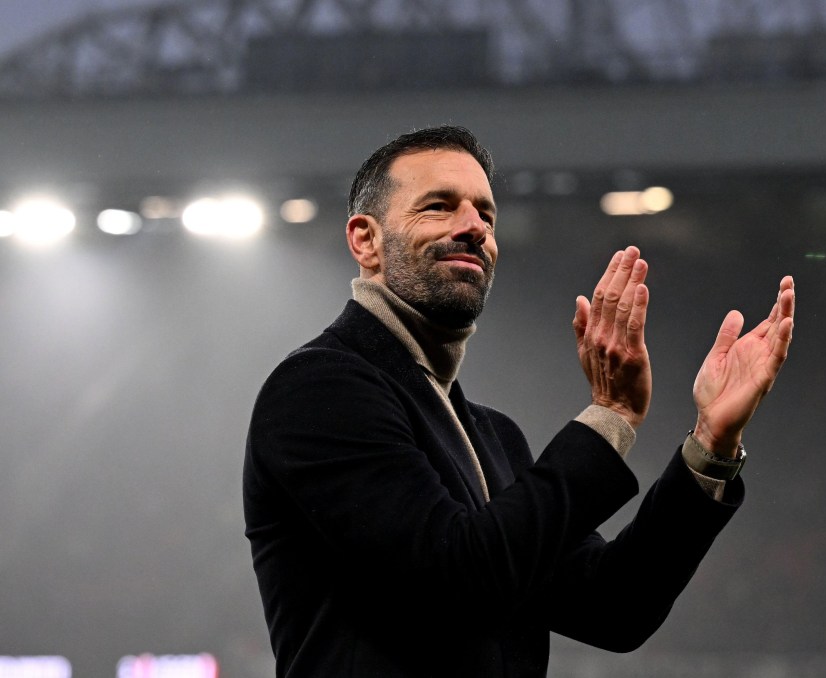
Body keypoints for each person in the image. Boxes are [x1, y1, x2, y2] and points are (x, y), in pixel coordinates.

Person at [243, 125, 795, 678]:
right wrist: (611, 415)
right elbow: (455, 582)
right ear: (366, 240)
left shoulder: (493, 437)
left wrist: (711, 445)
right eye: (439, 207)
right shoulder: (319, 389)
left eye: (486, 215)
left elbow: (615, 607)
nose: (473, 229)